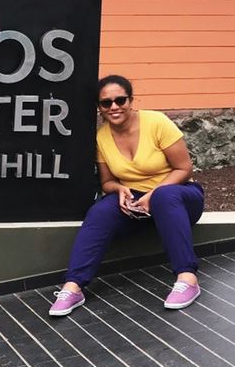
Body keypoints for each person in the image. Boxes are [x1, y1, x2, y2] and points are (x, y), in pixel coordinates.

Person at [49, 74, 204, 316]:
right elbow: (107, 182)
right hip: (136, 202)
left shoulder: (156, 122)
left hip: (179, 197)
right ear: (99, 107)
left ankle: (187, 278)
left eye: (120, 100)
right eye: (106, 103)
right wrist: (120, 190)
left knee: (164, 197)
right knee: (99, 212)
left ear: (131, 101)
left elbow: (184, 169)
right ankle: (73, 286)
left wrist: (154, 193)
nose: (114, 107)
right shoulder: (101, 137)